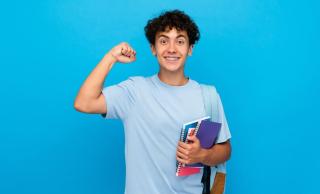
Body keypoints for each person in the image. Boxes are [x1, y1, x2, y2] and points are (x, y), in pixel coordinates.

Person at [74, 9, 231, 194]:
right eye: (164, 41)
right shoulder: (134, 91)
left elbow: (225, 149)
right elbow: (84, 102)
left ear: (190, 49)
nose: (171, 49)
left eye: (180, 41)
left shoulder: (208, 96)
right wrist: (111, 58)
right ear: (153, 48)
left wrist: (203, 155)